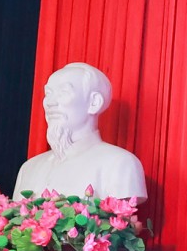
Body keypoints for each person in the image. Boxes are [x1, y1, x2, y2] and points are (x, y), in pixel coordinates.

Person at [13, 62, 147, 202]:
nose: (50, 102)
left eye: (63, 92)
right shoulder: (29, 168)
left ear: (94, 102)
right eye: (48, 93)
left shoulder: (120, 164)